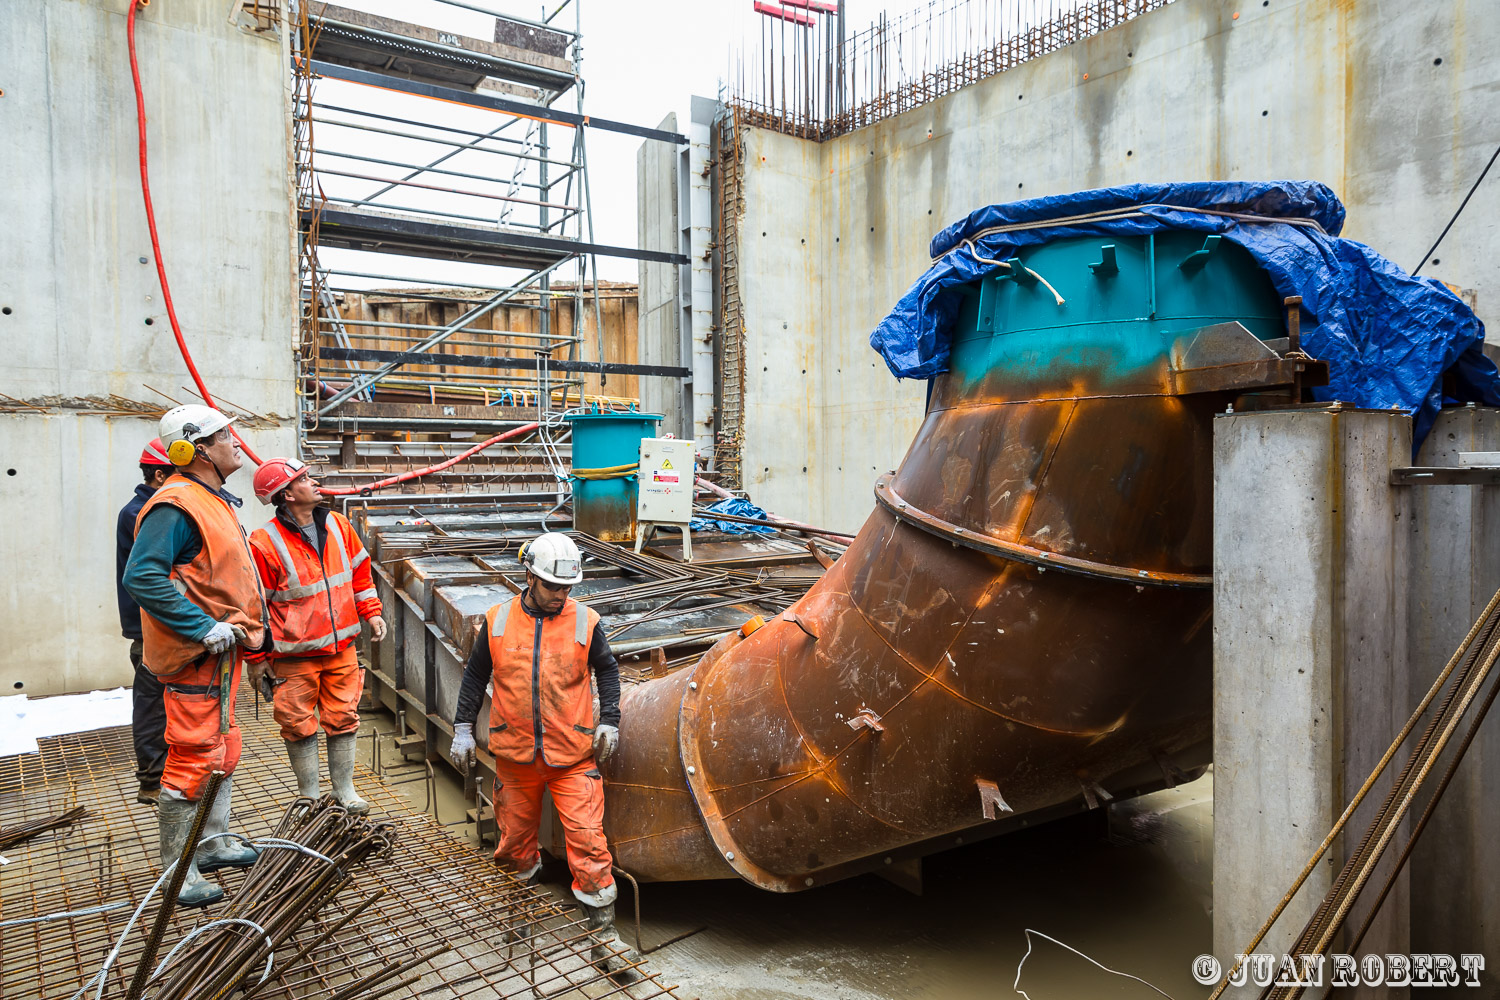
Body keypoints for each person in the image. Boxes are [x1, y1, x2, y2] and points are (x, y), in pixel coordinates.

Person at [450, 532, 634, 976]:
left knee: (589, 843)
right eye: (553, 586)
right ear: (529, 575)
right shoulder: (496, 621)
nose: (560, 595)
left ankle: (604, 936)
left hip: (572, 756)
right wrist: (461, 729)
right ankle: (518, 917)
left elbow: (608, 672)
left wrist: (610, 718)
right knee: (513, 846)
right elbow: (476, 678)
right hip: (515, 757)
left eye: (568, 588)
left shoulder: (585, 621)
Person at [122, 404, 267, 908]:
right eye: (226, 435)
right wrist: (202, 627)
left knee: (223, 750)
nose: (236, 442)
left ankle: (212, 843)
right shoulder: (176, 505)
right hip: (196, 657)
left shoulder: (213, 500)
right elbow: (141, 577)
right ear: (199, 449)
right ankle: (177, 873)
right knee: (191, 758)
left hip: (224, 656)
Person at [246, 457, 386, 814]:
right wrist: (257, 658)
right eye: (304, 478)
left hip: (341, 649)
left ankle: (344, 790)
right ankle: (309, 795)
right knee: (297, 723)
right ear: (288, 495)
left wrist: (371, 612)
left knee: (344, 717)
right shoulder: (263, 542)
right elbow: (254, 606)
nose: (314, 481)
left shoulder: (338, 525)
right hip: (293, 655)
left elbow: (359, 573)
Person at [116, 438, 174, 806]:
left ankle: (164, 776)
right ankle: (153, 780)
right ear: (158, 474)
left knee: (165, 703)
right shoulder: (143, 512)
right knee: (154, 705)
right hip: (153, 628)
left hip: (161, 625)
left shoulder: (151, 508)